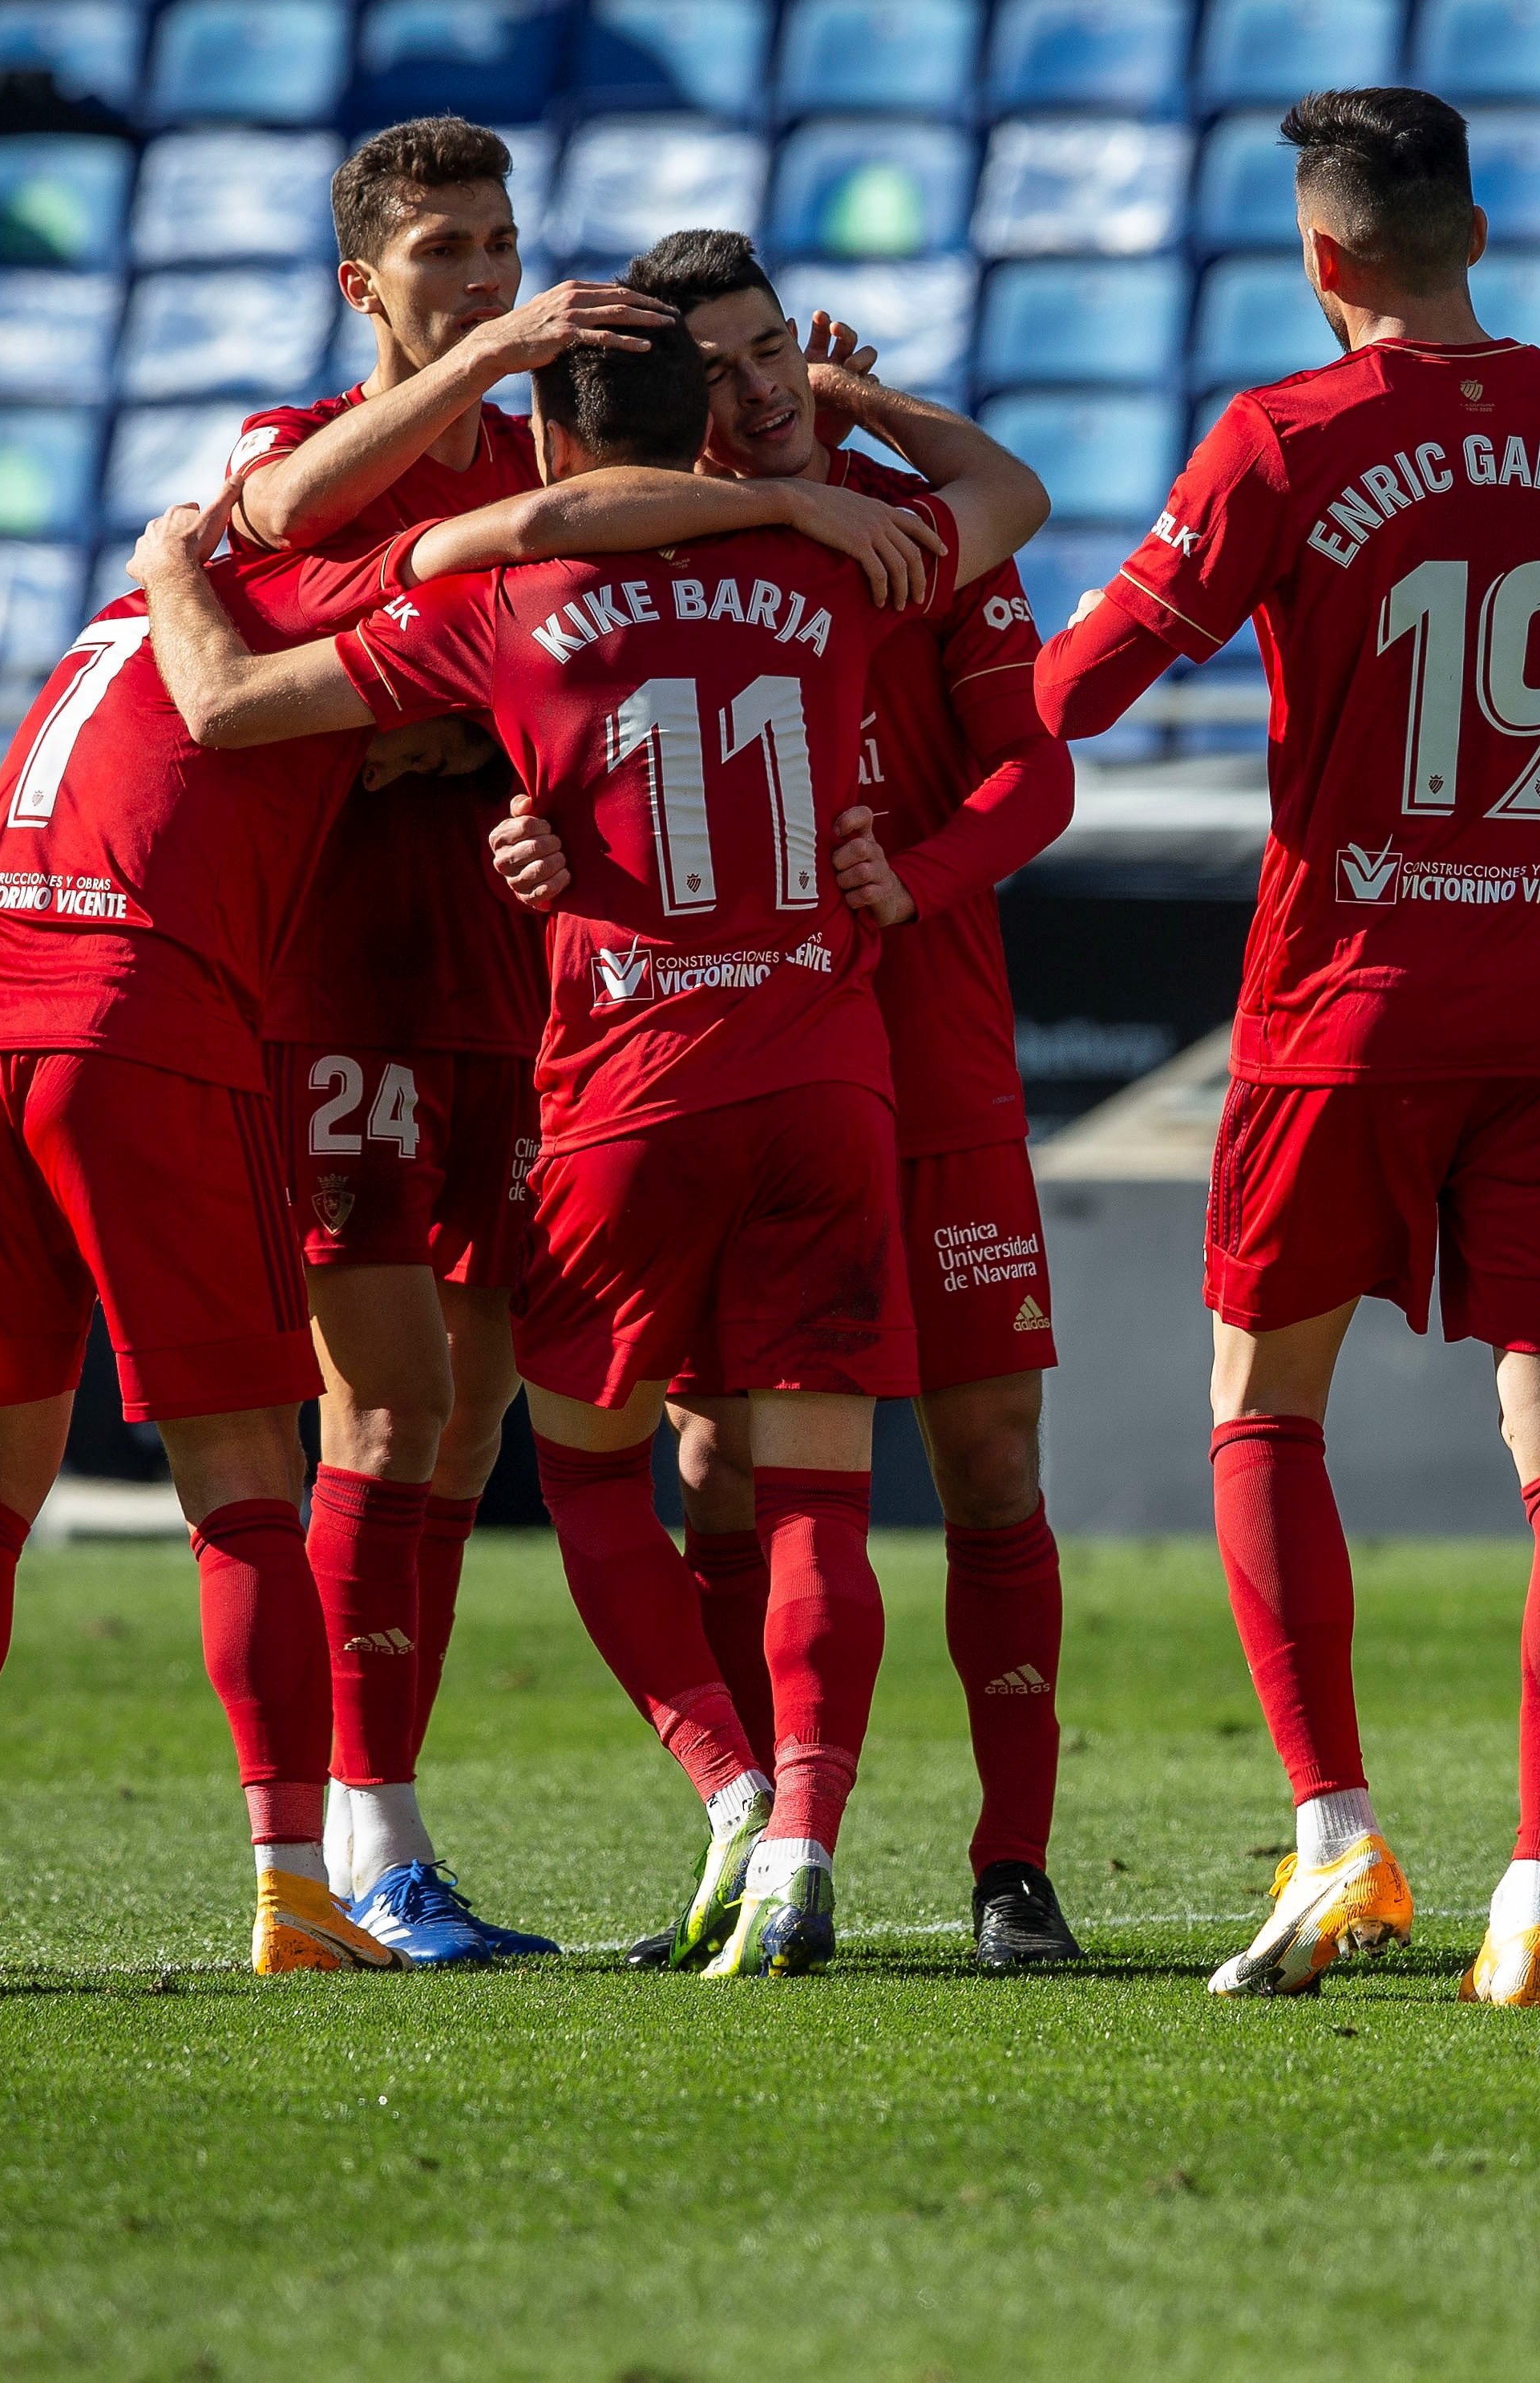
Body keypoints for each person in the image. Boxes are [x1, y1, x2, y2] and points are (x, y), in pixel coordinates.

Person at [0, 386, 894, 1977]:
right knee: (267, 1467)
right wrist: (791, 502)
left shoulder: (107, 624)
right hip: (161, 1016)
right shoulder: (314, 581)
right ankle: (310, 1868)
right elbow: (376, 621)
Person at [128, 322, 1049, 1980]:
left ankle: (728, 1783)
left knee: (585, 1472)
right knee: (822, 1500)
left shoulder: (502, 593)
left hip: (628, 1097)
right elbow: (1007, 492)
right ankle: (801, 1843)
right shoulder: (838, 568)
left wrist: (169, 569)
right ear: (704, 430)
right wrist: (834, 434)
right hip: (829, 1084)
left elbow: (232, 701)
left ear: (550, 445)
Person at [1029, 87, 1540, 2006]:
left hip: (1342, 1005)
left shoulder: (1283, 436)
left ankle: (1336, 1832)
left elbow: (1082, 689)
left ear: (1319, 258)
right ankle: (1539, 1885)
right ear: (1475, 232)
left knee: (1263, 1401)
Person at [487, 229, 1087, 1970]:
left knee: (984, 1456)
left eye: (774, 356)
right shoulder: (668, 550)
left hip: (930, 1059)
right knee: (716, 1465)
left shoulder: (893, 526)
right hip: (742, 1058)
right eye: (722, 367)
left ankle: (1010, 1863)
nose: (753, 394)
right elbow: (564, 755)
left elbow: (1034, 767)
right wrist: (533, 842)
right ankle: (766, 1831)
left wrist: (920, 870)